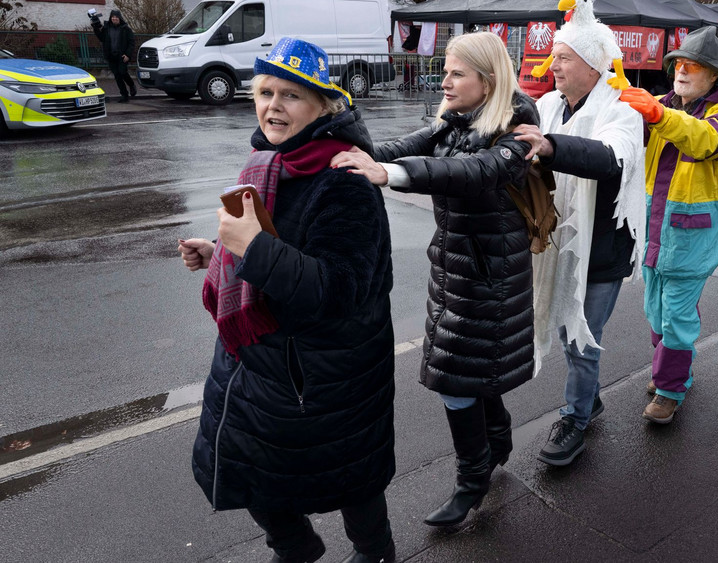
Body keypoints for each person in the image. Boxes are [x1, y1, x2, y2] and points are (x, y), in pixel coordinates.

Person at [177, 37, 395, 563]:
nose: (272, 106)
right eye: (264, 91)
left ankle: (375, 551)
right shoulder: (265, 161)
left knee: (351, 476)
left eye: (290, 96)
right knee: (246, 465)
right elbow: (272, 245)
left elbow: (338, 290)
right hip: (256, 362)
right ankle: (296, 546)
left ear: (323, 106)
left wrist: (251, 250)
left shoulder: (344, 181)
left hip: (325, 373)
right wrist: (219, 255)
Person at [330, 31, 537, 527]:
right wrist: (339, 120)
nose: (442, 80)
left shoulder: (517, 126)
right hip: (454, 272)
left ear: (487, 81)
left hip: (492, 279)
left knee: (453, 376)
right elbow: (393, 148)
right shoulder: (453, 120)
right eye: (445, 69)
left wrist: (390, 175)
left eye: (455, 73)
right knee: (472, 368)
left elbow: (471, 172)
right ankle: (498, 436)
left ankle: (472, 478)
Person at [511, 16, 645, 465]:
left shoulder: (620, 108)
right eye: (555, 56)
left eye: (565, 58)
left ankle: (575, 418)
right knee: (569, 331)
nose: (555, 65)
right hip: (557, 240)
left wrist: (551, 147)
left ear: (592, 65)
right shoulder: (547, 103)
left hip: (604, 248)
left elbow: (608, 159)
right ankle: (588, 398)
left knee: (581, 336)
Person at [617, 26, 718, 423]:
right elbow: (621, 134)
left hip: (693, 239)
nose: (682, 72)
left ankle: (671, 389)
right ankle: (673, 367)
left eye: (694, 66)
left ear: (715, 77)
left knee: (675, 315)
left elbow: (705, 140)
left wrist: (657, 114)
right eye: (678, 64)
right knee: (655, 311)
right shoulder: (660, 104)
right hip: (654, 235)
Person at [91, 9, 137, 103]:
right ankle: (124, 95)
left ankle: (131, 85)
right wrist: (95, 28)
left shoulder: (125, 29)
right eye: (113, 17)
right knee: (117, 76)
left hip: (122, 56)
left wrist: (128, 54)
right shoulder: (107, 28)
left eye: (116, 17)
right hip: (111, 56)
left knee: (123, 72)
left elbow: (131, 43)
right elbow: (101, 38)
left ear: (119, 18)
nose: (114, 19)